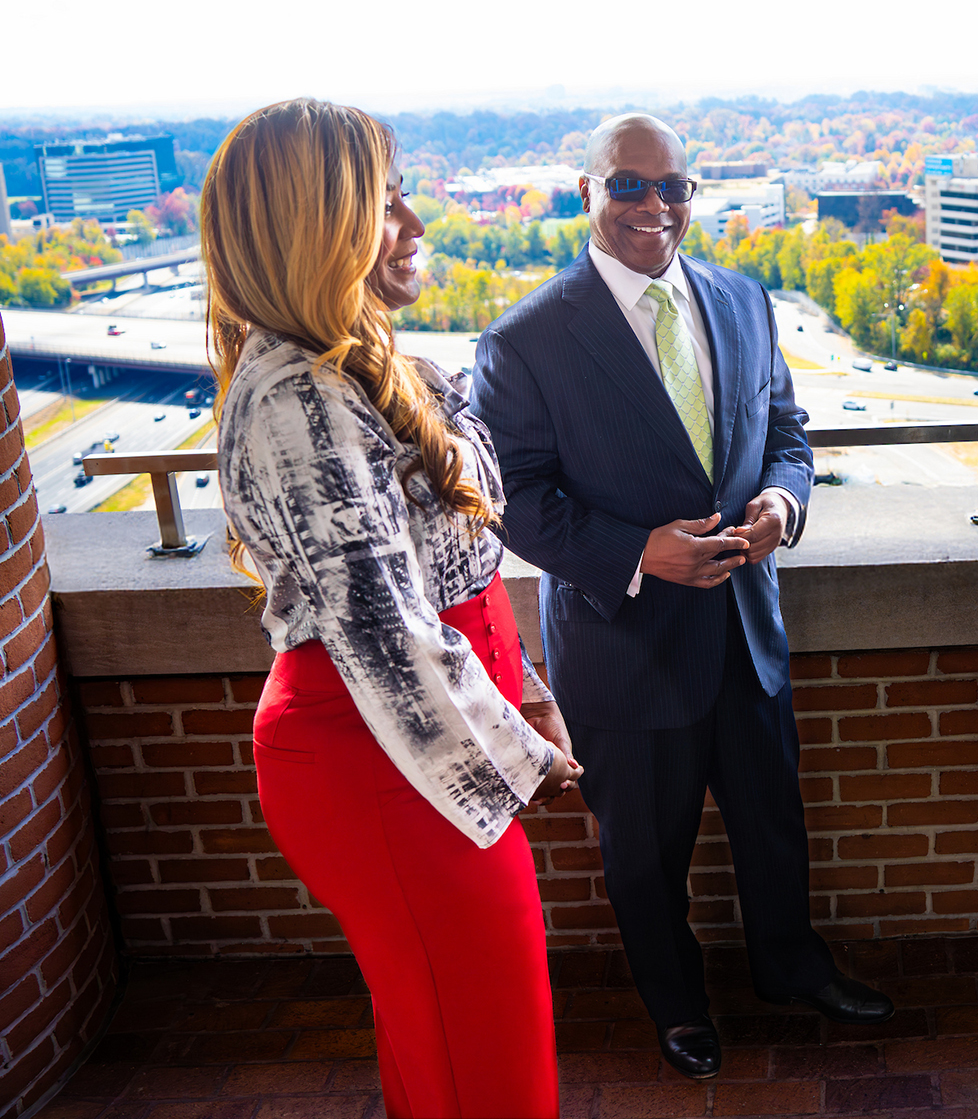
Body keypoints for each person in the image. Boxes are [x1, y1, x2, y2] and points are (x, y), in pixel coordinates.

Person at [469, 113, 893, 1082]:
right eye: (629, 184)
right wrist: (636, 554)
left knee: (773, 828)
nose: (653, 205)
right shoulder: (525, 340)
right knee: (645, 855)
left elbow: (785, 430)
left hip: (746, 632)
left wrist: (784, 500)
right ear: (587, 192)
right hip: (626, 645)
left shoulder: (742, 299)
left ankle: (791, 969)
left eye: (672, 186)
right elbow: (512, 500)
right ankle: (678, 1006)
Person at [208, 99, 581, 1118]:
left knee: (449, 1045)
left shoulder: (366, 369)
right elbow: (384, 631)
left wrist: (527, 691)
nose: (413, 223)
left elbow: (449, 569)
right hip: (379, 756)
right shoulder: (299, 400)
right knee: (485, 1062)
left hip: (424, 739)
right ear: (312, 228)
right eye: (382, 204)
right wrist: (522, 753)